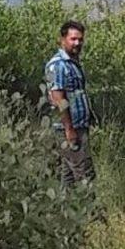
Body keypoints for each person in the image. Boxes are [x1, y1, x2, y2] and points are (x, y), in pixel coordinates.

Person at [44, 20, 95, 189]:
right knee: (84, 174)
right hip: (69, 129)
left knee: (69, 177)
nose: (77, 43)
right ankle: (92, 213)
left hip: (79, 125)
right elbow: (58, 97)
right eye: (73, 39)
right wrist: (69, 129)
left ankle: (64, 212)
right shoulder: (58, 65)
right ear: (62, 39)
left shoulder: (73, 63)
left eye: (80, 39)